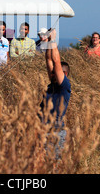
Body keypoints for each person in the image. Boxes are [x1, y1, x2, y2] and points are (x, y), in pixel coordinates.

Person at [39, 29, 71, 157]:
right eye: (52, 72)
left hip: (55, 132)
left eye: (56, 72)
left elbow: (56, 61)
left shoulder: (64, 86)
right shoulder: (52, 83)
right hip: (43, 131)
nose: (52, 73)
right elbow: (49, 61)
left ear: (65, 74)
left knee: (54, 166)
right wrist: (47, 42)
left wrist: (53, 40)